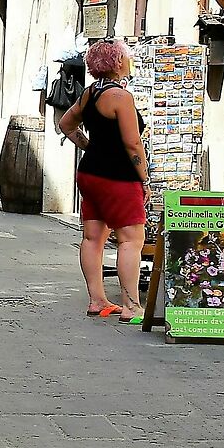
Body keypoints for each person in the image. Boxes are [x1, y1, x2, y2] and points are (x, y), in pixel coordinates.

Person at [58, 39, 150, 319]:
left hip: (90, 173)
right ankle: (131, 305)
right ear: (118, 62)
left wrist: (88, 146)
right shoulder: (121, 97)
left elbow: (65, 124)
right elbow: (132, 144)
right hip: (117, 176)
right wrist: (144, 178)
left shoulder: (89, 93)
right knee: (131, 239)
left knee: (93, 237)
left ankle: (97, 300)